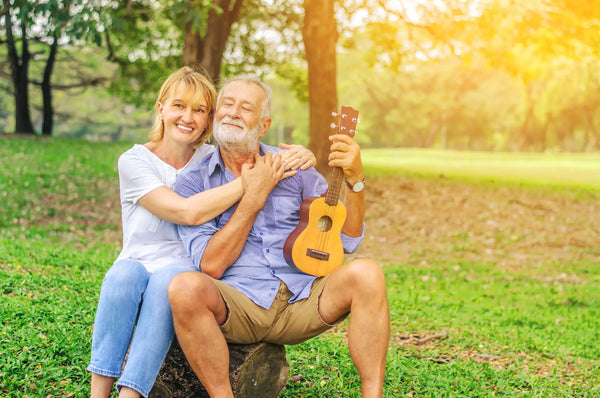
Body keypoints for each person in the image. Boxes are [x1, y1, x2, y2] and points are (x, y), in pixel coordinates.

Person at [87, 66, 316, 398]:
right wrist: (251, 185)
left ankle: (130, 394)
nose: (187, 117)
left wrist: (304, 155)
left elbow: (258, 151)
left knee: (168, 281)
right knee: (122, 276)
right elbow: (186, 211)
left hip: (185, 265)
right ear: (161, 108)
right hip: (138, 260)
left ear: (209, 120)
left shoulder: (211, 155)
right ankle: (98, 391)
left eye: (200, 110)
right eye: (179, 105)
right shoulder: (134, 161)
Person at [169, 75, 390, 398]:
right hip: (239, 304)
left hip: (302, 300)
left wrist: (356, 180)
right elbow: (211, 266)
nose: (232, 113)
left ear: (263, 125)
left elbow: (347, 239)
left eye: (246, 108)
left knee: (367, 272)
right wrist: (252, 199)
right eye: (227, 104)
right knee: (184, 287)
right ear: (216, 114)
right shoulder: (193, 181)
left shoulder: (294, 166)